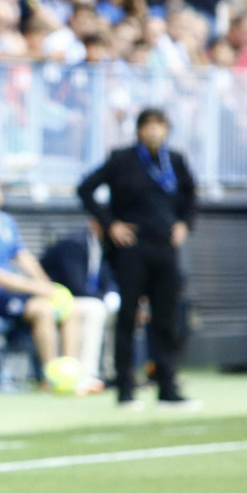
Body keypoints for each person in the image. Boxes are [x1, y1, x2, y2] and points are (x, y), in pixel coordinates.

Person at [76, 107, 198, 408]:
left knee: (165, 319)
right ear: (139, 130)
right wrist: (111, 223)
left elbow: (191, 197)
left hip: (165, 248)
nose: (154, 131)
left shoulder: (176, 161)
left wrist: (184, 224)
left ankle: (167, 387)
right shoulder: (122, 159)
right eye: (148, 125)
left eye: (160, 125)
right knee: (128, 317)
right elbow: (86, 189)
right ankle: (125, 389)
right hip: (132, 249)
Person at [0, 175, 77, 374]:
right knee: (42, 310)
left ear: (0, 195)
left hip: (11, 294)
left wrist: (47, 286)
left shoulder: (7, 223)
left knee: (69, 307)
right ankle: (50, 376)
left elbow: (24, 257)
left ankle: (71, 372)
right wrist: (35, 288)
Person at [40, 221, 118, 396]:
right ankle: (86, 375)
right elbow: (75, 286)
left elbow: (108, 279)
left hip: (80, 299)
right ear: (94, 225)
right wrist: (103, 297)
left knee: (117, 312)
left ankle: (111, 372)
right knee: (95, 309)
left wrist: (112, 295)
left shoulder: (103, 247)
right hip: (57, 298)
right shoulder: (74, 244)